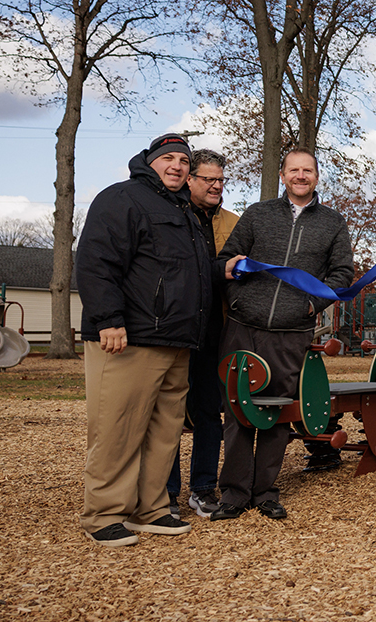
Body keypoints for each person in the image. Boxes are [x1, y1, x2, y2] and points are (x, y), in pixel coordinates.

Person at [76, 133, 213, 546]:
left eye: (184, 160)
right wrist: (108, 319)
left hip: (175, 340)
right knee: (117, 428)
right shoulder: (123, 198)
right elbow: (96, 261)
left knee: (163, 432)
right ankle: (103, 514)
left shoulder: (184, 211)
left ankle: (149, 509)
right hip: (129, 337)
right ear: (150, 161)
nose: (177, 165)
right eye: (168, 158)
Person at [212, 148, 354, 521]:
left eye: (308, 170)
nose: (301, 176)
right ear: (283, 174)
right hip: (244, 326)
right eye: (294, 170)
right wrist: (238, 299)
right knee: (239, 408)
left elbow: (341, 275)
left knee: (276, 413)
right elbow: (228, 260)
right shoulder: (258, 214)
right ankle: (234, 492)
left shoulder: (333, 223)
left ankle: (266, 491)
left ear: (317, 177)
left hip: (292, 331)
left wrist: (310, 306)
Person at [165, 149, 239, 519]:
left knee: (211, 412)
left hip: (215, 332)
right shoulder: (170, 216)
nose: (216, 186)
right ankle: (166, 493)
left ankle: (203, 488)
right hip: (177, 331)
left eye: (221, 179)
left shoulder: (234, 222)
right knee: (170, 413)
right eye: (208, 179)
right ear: (189, 180)